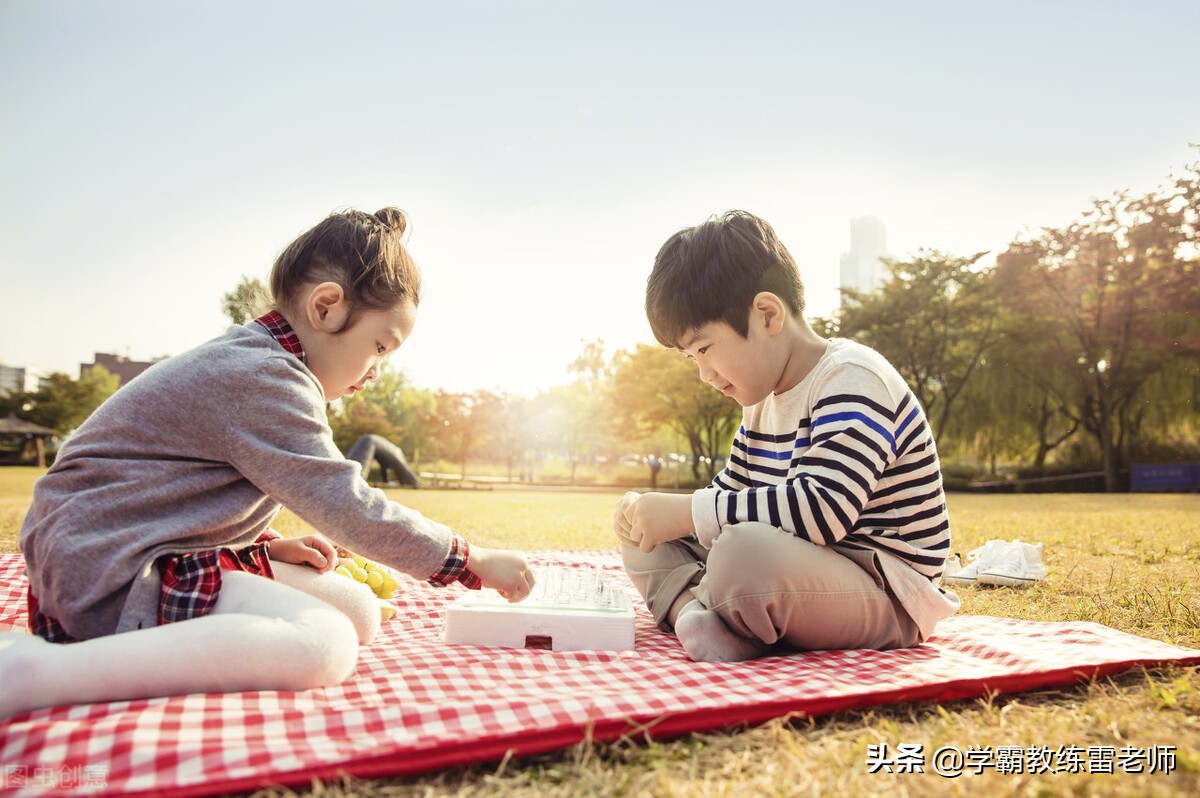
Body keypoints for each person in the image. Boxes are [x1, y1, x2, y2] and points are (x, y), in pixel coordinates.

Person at [1, 208, 534, 720]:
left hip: (110, 548)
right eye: (379, 346)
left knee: (357, 611)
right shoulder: (265, 377)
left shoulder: (255, 362)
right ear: (326, 307)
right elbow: (347, 504)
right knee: (325, 644)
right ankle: (43, 672)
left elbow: (175, 486)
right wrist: (471, 559)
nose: (375, 371)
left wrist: (261, 544)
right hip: (113, 572)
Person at [613, 210, 959, 663]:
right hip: (802, 571)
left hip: (884, 590)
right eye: (690, 358)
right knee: (642, 531)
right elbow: (731, 495)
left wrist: (688, 512)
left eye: (704, 348)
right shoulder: (760, 402)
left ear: (767, 315)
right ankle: (693, 617)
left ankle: (714, 609)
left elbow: (823, 510)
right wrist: (657, 516)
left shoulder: (851, 377)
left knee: (743, 554)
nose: (703, 374)